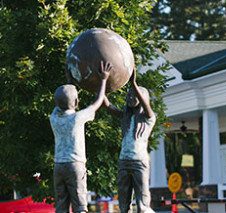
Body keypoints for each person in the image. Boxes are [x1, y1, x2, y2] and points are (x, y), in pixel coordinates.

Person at [50, 61, 112, 212]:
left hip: (58, 166)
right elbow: (98, 102)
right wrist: (103, 79)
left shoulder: (54, 118)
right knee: (80, 204)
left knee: (61, 205)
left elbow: (61, 100)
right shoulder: (77, 118)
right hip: (74, 166)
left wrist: (69, 82)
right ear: (77, 102)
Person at [103, 69, 156, 213]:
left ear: (142, 97)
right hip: (123, 161)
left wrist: (133, 84)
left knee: (142, 204)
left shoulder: (148, 118)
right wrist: (102, 83)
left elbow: (146, 106)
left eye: (135, 95)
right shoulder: (126, 117)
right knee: (123, 203)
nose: (131, 97)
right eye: (129, 95)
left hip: (139, 162)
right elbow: (108, 106)